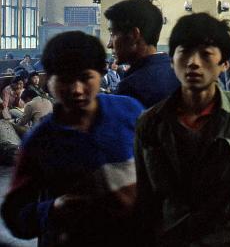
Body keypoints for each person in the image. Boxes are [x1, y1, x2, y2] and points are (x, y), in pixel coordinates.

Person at [134, 13, 230, 245]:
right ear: (172, 60)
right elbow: (146, 206)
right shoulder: (150, 123)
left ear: (224, 64)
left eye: (206, 54)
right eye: (184, 52)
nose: (193, 63)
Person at [1, 31, 144, 247]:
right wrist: (52, 209)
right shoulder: (40, 141)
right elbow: (15, 215)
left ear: (101, 74)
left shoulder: (129, 112)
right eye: (66, 80)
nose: (77, 90)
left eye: (86, 78)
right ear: (50, 81)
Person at [105, 0, 179, 108]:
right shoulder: (176, 72)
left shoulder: (132, 86)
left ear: (134, 35)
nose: (109, 44)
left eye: (112, 34)